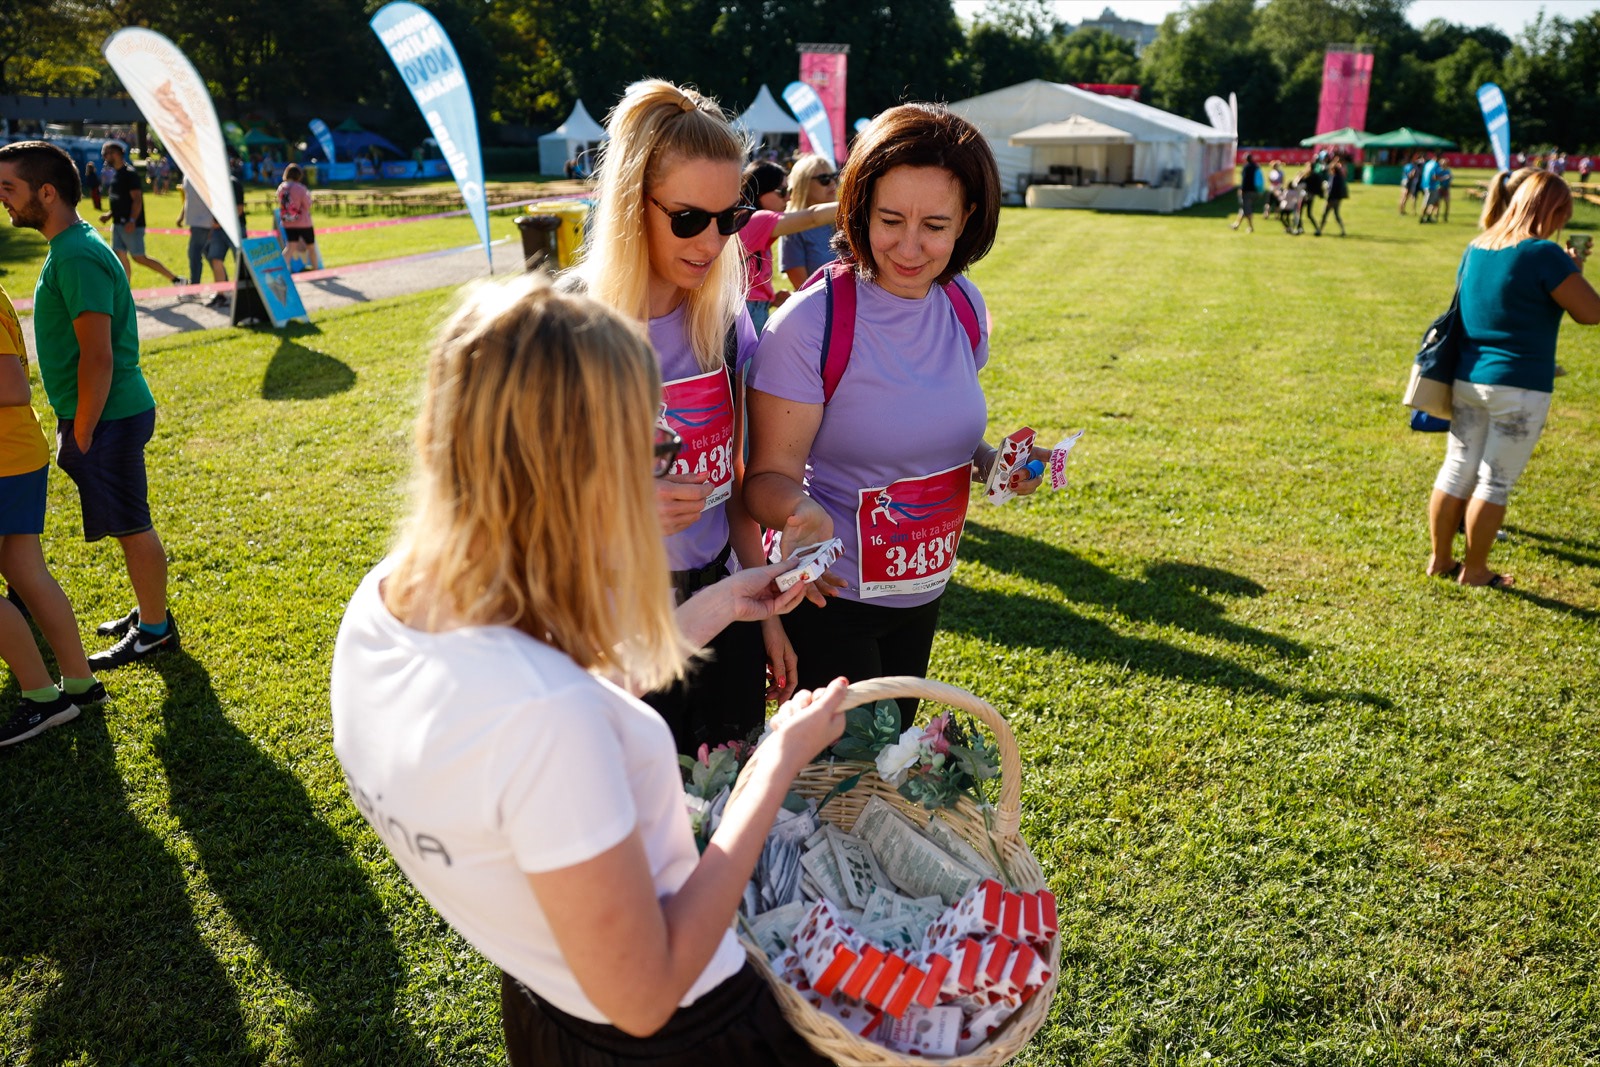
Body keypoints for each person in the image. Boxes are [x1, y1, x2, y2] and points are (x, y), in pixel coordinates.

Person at [330, 273, 844, 1066]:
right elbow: (648, 993)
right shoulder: (548, 721)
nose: (668, 474)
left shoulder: (384, 605)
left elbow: (518, 721)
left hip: (545, 1007)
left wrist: (706, 613)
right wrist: (771, 766)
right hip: (687, 1037)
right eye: (654, 451)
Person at [744, 103, 1047, 723]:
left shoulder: (963, 304)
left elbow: (931, 429)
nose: (909, 247)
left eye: (935, 225)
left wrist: (994, 462)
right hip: (830, 599)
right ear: (859, 209)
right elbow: (765, 478)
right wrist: (802, 514)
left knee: (892, 763)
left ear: (968, 219)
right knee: (845, 776)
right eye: (889, 220)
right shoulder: (810, 325)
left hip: (924, 593)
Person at [567, 79, 793, 754]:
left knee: (733, 801)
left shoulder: (724, 323)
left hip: (725, 609)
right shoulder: (565, 329)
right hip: (615, 626)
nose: (712, 242)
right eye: (690, 219)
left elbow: (736, 484)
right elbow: (511, 511)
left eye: (729, 219)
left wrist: (764, 611)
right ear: (632, 201)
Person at [0, 141, 180, 668]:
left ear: (46, 192)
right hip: (106, 413)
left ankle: (155, 630)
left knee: (131, 523)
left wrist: (81, 431)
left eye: (9, 188)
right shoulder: (70, 246)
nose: (3, 200)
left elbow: (98, 357)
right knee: (127, 521)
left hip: (109, 415)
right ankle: (150, 611)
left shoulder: (76, 255)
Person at [1425, 172, 1600, 589]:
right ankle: (1475, 570)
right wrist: (1573, 271)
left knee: (1456, 470)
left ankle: (1440, 559)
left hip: (1468, 377)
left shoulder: (1478, 246)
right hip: (1519, 384)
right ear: (1554, 210)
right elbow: (1591, 313)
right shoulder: (1544, 254)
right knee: (1495, 481)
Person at [0, 279, 106, 747]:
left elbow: (12, 386)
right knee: (25, 569)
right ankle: (79, 681)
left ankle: (44, 698)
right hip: (17, 454)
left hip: (6, 459)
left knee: (27, 570)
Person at [737, 160, 836, 332]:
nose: (788, 198)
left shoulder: (750, 222)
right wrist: (857, 204)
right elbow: (812, 217)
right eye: (781, 192)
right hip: (747, 311)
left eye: (788, 191)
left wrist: (770, 298)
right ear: (759, 191)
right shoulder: (758, 219)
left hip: (754, 309)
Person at [97, 141, 182, 286]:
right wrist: (109, 215)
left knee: (139, 258)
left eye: (106, 153)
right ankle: (125, 289)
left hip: (130, 224)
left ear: (117, 154)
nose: (104, 157)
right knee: (119, 256)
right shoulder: (116, 174)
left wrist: (132, 220)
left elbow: (137, 200)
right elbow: (121, 200)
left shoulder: (130, 174)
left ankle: (176, 279)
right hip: (117, 224)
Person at [779, 154, 841, 290]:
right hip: (821, 302)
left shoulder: (844, 220)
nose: (832, 183)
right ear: (804, 184)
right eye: (824, 179)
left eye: (834, 177)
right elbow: (802, 288)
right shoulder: (793, 229)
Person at [178, 176, 231, 308]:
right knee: (209, 255)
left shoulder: (201, 173)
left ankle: (194, 289)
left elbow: (214, 197)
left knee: (195, 255)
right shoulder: (187, 175)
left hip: (204, 222)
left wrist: (216, 220)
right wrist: (182, 216)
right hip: (195, 222)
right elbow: (188, 198)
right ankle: (224, 284)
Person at [276, 163, 321, 271]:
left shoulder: (281, 188)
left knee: (290, 247)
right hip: (304, 223)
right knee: (311, 247)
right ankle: (316, 270)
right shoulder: (300, 188)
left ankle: (280, 270)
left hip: (288, 222)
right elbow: (307, 205)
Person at [1318, 159, 1348, 236]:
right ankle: (1343, 230)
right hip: (1338, 199)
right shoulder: (1340, 177)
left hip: (1332, 199)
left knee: (1325, 214)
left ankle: (1319, 230)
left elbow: (1331, 189)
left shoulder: (1333, 178)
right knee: (1336, 215)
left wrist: (1328, 196)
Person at [1231, 153, 1258, 232]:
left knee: (1246, 209)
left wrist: (1242, 189)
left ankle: (1250, 227)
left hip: (1247, 191)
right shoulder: (1255, 166)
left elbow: (1245, 180)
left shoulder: (1246, 167)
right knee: (1244, 208)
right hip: (1254, 190)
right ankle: (1236, 225)